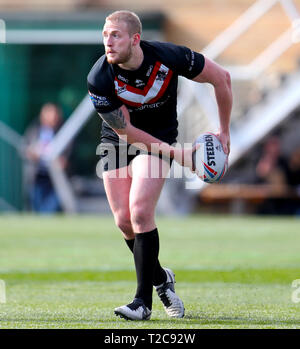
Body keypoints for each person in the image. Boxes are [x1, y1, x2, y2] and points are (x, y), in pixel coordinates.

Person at [87, 10, 232, 321]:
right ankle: (161, 280)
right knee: (124, 221)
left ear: (135, 39)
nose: (108, 42)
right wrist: (180, 155)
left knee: (140, 212)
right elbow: (126, 132)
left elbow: (222, 79)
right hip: (117, 140)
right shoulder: (99, 77)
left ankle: (143, 303)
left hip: (158, 137)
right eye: (104, 35)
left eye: (116, 35)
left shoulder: (169, 57)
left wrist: (224, 131)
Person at [24, 103, 67, 213]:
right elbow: (25, 148)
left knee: (51, 208)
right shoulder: (34, 130)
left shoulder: (63, 132)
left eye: (55, 114)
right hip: (37, 175)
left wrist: (63, 160)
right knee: (37, 207)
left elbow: (69, 152)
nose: (53, 117)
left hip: (55, 176)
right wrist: (33, 153)